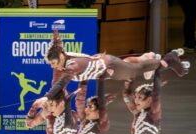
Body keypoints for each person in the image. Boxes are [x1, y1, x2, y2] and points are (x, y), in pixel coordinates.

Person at [45, 30, 188, 99]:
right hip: (108, 66)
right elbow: (58, 45)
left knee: (138, 70)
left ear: (61, 56)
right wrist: (56, 38)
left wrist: (49, 96)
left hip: (111, 67)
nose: (53, 66)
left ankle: (170, 59)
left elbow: (62, 83)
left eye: (53, 62)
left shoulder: (72, 65)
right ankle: (147, 56)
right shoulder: (65, 59)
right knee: (133, 65)